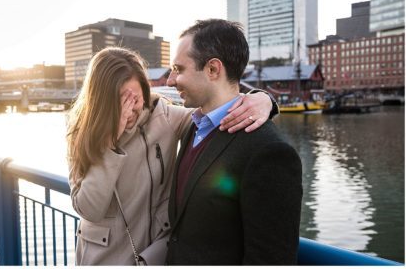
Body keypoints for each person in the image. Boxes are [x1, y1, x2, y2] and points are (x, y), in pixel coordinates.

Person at [67, 47, 276, 265]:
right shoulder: (81, 133)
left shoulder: (163, 116)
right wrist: (109, 144)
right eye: (120, 102)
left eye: (135, 100)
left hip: (153, 257)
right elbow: (90, 209)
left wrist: (264, 100)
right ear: (101, 101)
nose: (129, 111)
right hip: (103, 259)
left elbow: (219, 114)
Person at [164, 20, 302, 265]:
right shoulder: (193, 127)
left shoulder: (269, 152)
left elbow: (270, 259)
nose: (170, 81)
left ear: (213, 70)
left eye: (179, 69)